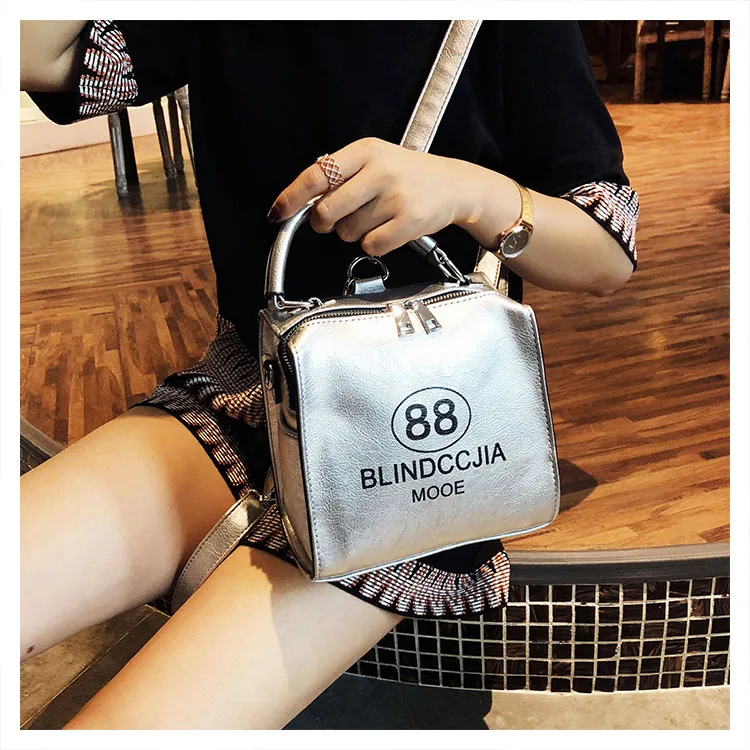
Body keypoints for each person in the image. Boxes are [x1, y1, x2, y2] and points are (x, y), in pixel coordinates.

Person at [20, 20, 639, 729]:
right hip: (249, 393)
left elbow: (607, 249)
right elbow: (41, 54)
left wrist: (471, 193)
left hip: (411, 440)